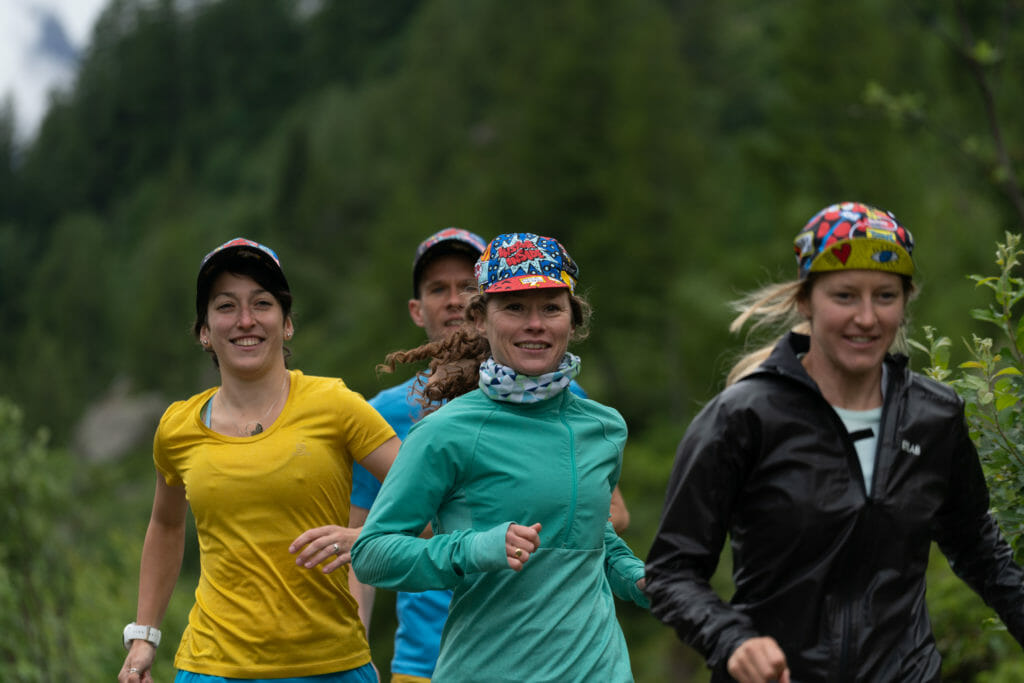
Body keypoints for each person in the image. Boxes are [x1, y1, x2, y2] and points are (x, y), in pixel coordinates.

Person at [644, 202, 1024, 682]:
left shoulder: (934, 415)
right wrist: (731, 640)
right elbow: (671, 571)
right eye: (845, 296)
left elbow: (978, 549)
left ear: (906, 301)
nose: (866, 318)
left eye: (885, 296)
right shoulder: (743, 417)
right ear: (805, 300)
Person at [350, 233, 648, 682]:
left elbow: (591, 537)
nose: (535, 324)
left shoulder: (603, 427)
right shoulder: (445, 430)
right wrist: (474, 548)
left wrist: (643, 580)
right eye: (514, 308)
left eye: (551, 307)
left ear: (573, 318)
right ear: (480, 320)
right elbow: (373, 554)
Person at [118, 238, 400, 683]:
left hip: (331, 666)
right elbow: (167, 525)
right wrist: (143, 636)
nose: (245, 320)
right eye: (226, 306)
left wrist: (365, 536)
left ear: (286, 324)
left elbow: (424, 495)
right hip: (212, 667)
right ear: (204, 331)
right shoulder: (178, 428)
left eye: (262, 303)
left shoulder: (335, 405)